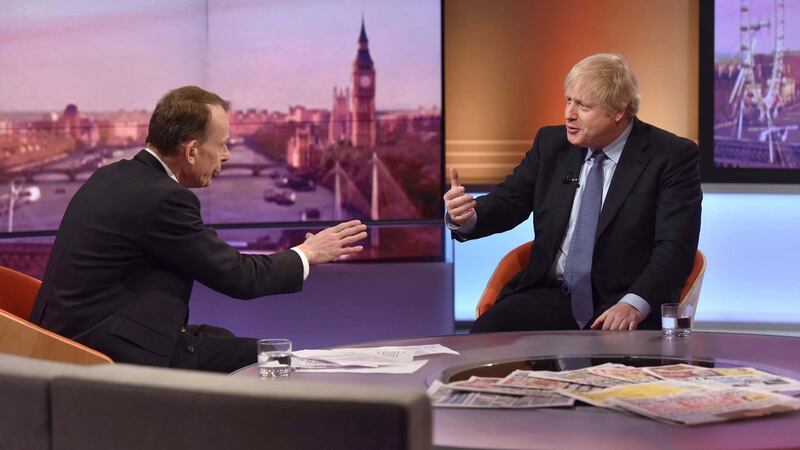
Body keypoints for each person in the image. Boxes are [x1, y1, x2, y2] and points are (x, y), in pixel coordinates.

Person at [29, 86, 367, 372]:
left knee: (223, 338)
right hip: (107, 354)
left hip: (74, 336)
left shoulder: (113, 175)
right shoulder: (164, 198)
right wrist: (307, 254)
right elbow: (239, 276)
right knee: (271, 359)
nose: (227, 156)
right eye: (221, 145)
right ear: (191, 150)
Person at [445, 53, 701, 333]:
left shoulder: (670, 156)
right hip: (552, 294)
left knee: (610, 362)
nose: (569, 114)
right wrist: (467, 216)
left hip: (621, 300)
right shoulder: (551, 144)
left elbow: (675, 248)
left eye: (584, 106)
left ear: (619, 111)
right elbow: (509, 201)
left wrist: (634, 303)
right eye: (568, 100)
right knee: (485, 336)